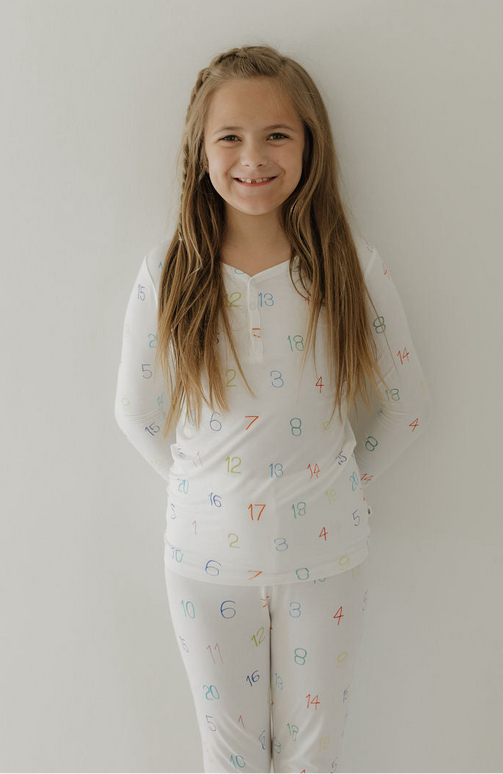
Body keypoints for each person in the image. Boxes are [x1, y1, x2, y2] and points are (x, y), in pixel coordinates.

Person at [114, 44, 432, 774]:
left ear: (308, 144)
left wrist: (334, 482)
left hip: (328, 555)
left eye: (276, 135)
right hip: (203, 561)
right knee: (228, 756)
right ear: (199, 152)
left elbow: (406, 404)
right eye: (229, 137)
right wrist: (212, 489)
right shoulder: (168, 271)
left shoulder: (348, 264)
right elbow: (135, 412)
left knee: (312, 754)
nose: (252, 157)